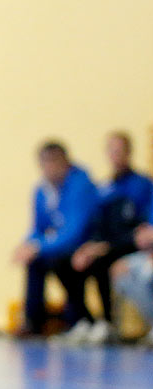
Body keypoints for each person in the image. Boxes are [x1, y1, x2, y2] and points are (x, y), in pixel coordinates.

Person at [67, 132, 153, 343]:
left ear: (129, 153)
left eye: (120, 151)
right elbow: (96, 224)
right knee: (67, 262)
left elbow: (143, 227)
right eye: (112, 151)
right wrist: (88, 247)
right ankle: (89, 321)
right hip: (110, 245)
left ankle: (110, 322)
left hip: (130, 245)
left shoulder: (141, 185)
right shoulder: (104, 188)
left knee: (113, 266)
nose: (116, 155)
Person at [11, 141, 98, 337]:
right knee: (35, 261)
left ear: (65, 162)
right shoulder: (42, 190)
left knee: (59, 260)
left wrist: (39, 246)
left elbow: (75, 232)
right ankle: (33, 322)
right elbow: (38, 228)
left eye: (53, 162)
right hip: (59, 245)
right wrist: (27, 245)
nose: (48, 168)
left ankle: (80, 319)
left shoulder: (80, 185)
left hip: (83, 245)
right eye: (44, 163)